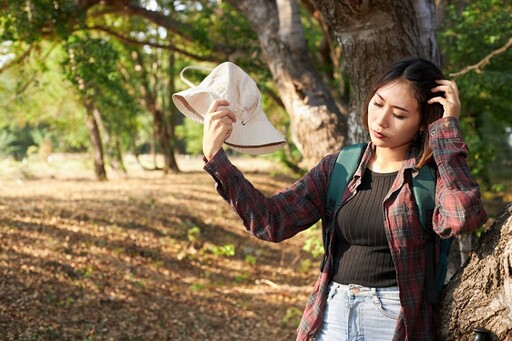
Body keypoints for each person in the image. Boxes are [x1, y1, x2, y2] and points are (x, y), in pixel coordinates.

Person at [201, 57, 488, 340]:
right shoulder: (340, 167)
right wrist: (217, 160)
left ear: (423, 122)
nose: (381, 120)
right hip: (332, 313)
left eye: (399, 115)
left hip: (393, 321)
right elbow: (272, 220)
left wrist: (447, 131)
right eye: (377, 103)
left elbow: (462, 216)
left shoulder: (431, 178)